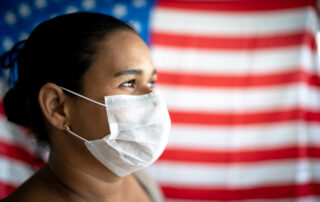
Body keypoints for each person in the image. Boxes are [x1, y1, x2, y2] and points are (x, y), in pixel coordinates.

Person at [0, 12, 171, 202]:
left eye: (151, 82)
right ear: (57, 107)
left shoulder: (139, 178)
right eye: (130, 82)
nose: (153, 99)